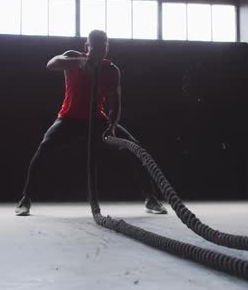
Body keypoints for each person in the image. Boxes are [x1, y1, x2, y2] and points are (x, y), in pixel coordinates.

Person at [15, 30, 167, 216]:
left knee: (134, 147)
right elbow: (51, 64)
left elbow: (115, 102)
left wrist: (112, 124)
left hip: (97, 120)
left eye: (104, 48)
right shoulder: (73, 57)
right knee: (45, 146)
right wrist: (80, 63)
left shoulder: (111, 70)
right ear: (87, 47)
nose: (100, 53)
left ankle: (150, 198)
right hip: (69, 118)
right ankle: (25, 199)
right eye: (96, 49)